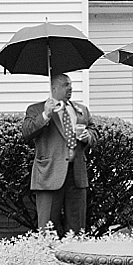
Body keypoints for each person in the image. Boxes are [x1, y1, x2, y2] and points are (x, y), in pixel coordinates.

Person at [21, 74, 94, 236]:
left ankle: (74, 251)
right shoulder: (36, 109)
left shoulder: (81, 110)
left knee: (77, 229)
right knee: (48, 229)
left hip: (76, 174)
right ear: (53, 88)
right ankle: (47, 252)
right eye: (65, 85)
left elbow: (93, 131)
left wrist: (88, 136)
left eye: (71, 84)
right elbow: (26, 132)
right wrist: (45, 115)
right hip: (50, 174)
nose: (70, 88)